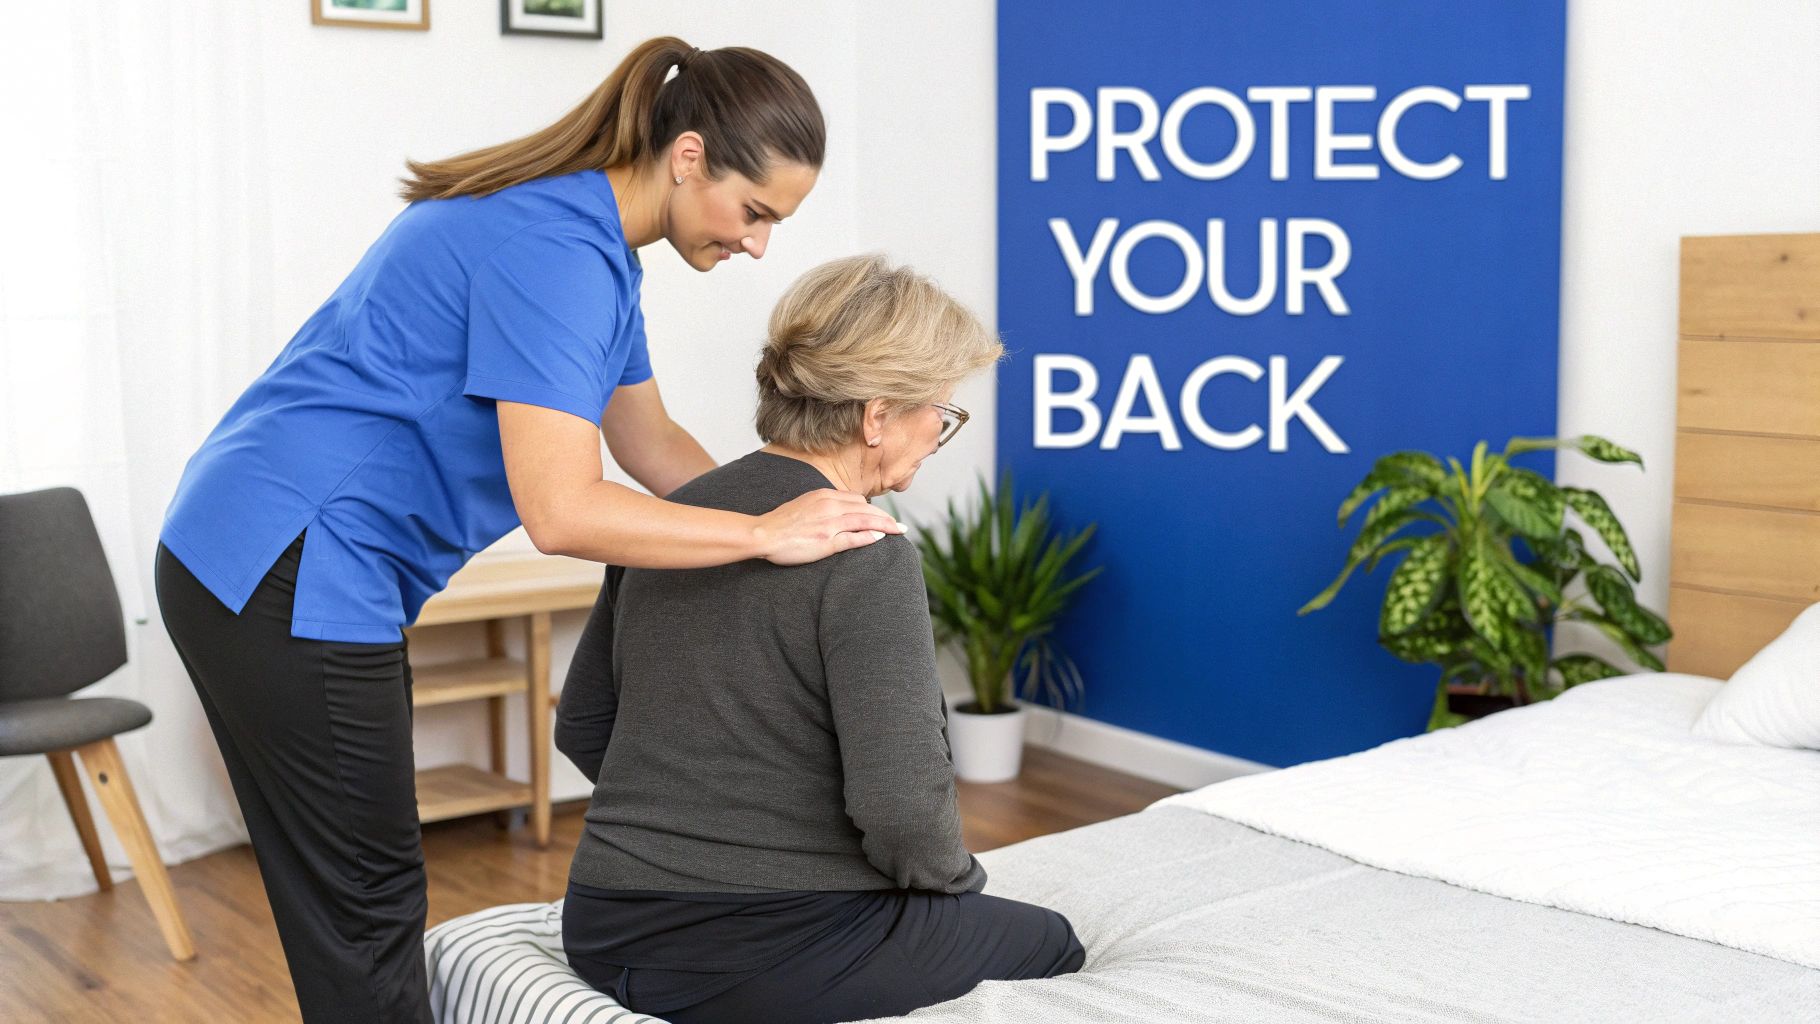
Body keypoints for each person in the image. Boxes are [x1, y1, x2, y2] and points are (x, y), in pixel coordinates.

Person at [153, 37, 901, 1024]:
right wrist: (763, 538)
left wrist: (804, 502)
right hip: (286, 558)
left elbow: (650, 440)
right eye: (753, 212)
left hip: (260, 547)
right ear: (687, 157)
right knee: (364, 895)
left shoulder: (592, 244)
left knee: (349, 886)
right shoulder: (556, 254)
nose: (758, 244)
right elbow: (562, 511)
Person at [555, 254, 1088, 1024]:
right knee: (1053, 942)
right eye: (940, 408)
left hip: (601, 922)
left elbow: (584, 727)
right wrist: (951, 891)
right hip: (756, 947)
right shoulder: (867, 551)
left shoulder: (677, 523)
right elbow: (903, 807)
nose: (940, 430)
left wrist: (699, 819)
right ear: (876, 416)